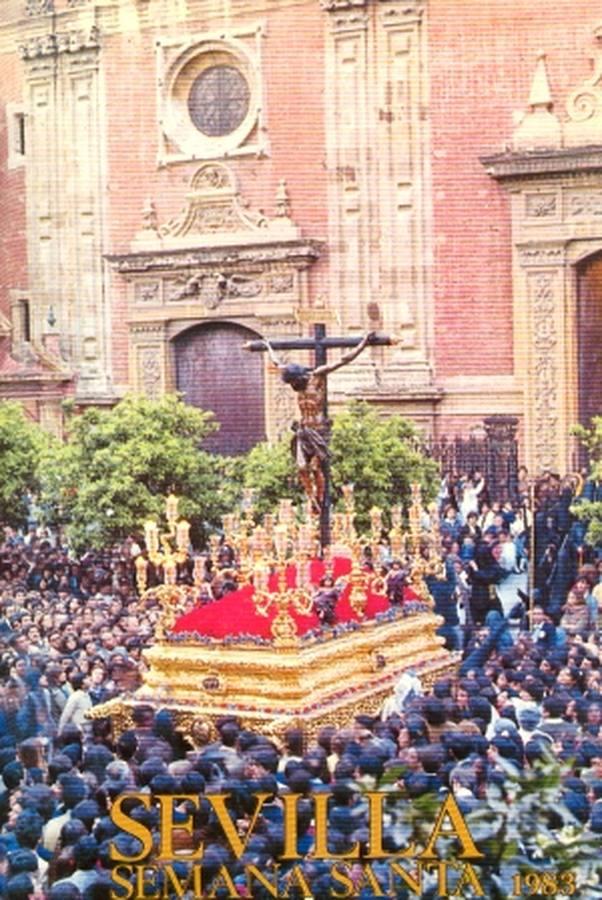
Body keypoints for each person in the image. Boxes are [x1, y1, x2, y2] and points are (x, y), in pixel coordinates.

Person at [252, 333, 376, 513]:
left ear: (300, 377)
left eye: (294, 381)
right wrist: (267, 346)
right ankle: (311, 497)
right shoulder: (295, 381)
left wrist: (363, 343)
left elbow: (343, 360)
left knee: (315, 467)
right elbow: (277, 362)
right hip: (303, 431)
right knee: (301, 468)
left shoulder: (317, 377)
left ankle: (320, 498)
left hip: (319, 431)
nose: (293, 385)